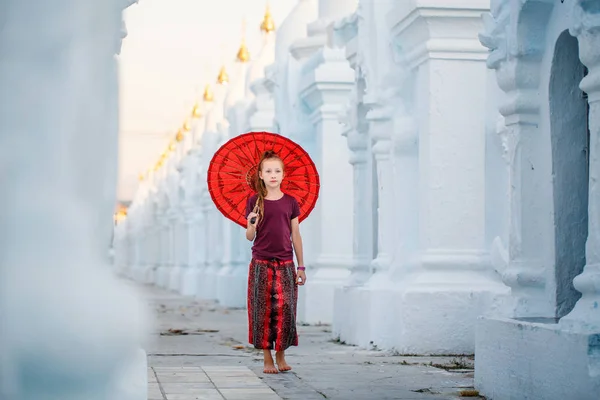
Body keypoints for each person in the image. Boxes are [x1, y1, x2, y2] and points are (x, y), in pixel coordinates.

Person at [245, 149, 307, 374]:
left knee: (285, 309)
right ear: (260, 175)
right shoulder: (255, 201)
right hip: (260, 263)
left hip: (285, 264)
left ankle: (282, 354)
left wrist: (301, 266)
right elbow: (250, 236)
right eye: (268, 170)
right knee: (262, 310)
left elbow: (296, 235)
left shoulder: (291, 202)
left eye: (277, 170)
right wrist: (252, 222)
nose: (273, 174)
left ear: (283, 175)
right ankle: (267, 358)